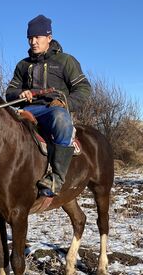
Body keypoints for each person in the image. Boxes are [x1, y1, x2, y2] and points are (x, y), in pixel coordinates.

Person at [6, 14, 91, 197]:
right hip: (28, 110)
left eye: (37, 37)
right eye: (30, 38)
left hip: (53, 110)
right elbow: (9, 93)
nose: (33, 42)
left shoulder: (65, 61)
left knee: (61, 118)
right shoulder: (23, 65)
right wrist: (20, 94)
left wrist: (64, 102)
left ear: (49, 38)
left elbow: (83, 89)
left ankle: (57, 178)